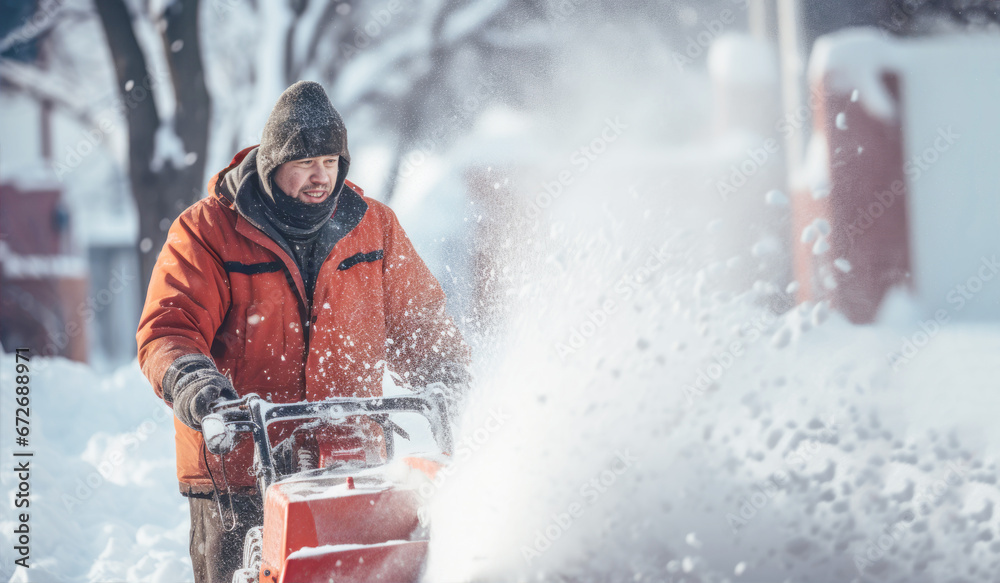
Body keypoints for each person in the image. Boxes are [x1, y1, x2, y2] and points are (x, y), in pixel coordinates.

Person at [136, 81, 470, 583]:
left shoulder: (372, 226)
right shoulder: (207, 232)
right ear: (272, 166)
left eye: (331, 162)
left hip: (349, 462)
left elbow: (416, 321)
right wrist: (194, 385)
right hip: (239, 469)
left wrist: (447, 371)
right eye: (305, 163)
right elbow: (169, 329)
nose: (320, 177)